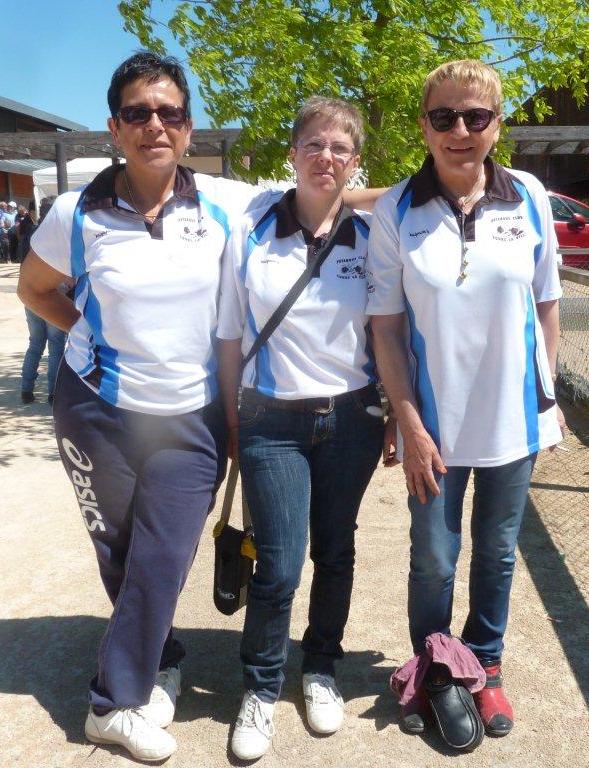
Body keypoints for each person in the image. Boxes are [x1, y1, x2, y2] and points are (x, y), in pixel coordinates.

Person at [17, 52, 385, 763]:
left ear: (187, 128)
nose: (154, 124)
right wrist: (90, 332)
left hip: (192, 415)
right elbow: (36, 290)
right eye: (137, 112)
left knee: (166, 552)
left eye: (170, 113)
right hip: (96, 406)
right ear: (113, 127)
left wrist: (431, 187)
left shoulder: (226, 200)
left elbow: (327, 191)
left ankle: (111, 703)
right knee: (121, 550)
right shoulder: (76, 211)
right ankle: (159, 659)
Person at [367, 59, 563, 743]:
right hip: (435, 428)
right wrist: (407, 419)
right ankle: (433, 668)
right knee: (435, 558)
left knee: (498, 551)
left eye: (474, 116)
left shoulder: (528, 195)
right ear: (423, 124)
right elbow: (385, 328)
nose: (458, 130)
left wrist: (548, 398)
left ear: (495, 124)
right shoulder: (396, 210)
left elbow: (545, 307)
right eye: (443, 116)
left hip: (512, 419)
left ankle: (485, 661)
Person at [217, 96, 395, 761]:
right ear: (291, 153)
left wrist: (394, 416)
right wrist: (231, 417)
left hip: (351, 416)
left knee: (336, 551)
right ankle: (260, 690)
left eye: (340, 148)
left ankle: (319, 668)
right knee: (279, 566)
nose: (326, 157)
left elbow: (387, 333)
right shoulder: (251, 225)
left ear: (356, 161)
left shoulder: (374, 235)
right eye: (313, 145)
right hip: (271, 418)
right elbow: (229, 333)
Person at [20, 197, 67, 404]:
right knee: (56, 345)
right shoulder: (59, 233)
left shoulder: (30, 232)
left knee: (35, 343)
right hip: (54, 291)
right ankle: (53, 393)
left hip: (30, 291)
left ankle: (26, 389)